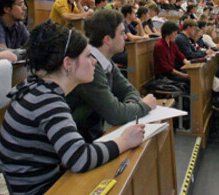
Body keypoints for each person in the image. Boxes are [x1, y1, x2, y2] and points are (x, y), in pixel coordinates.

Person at [0, 23, 146, 195]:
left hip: (22, 191)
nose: (94, 62)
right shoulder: (47, 100)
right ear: (68, 63)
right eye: (88, 56)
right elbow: (78, 158)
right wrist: (124, 141)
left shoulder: (39, 88)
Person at [67, 9, 157, 142]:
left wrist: (130, 106)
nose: (126, 37)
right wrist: (145, 106)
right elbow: (115, 114)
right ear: (107, 39)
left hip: (91, 136)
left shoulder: (105, 60)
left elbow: (128, 90)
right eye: (121, 33)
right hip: (78, 143)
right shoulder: (89, 66)